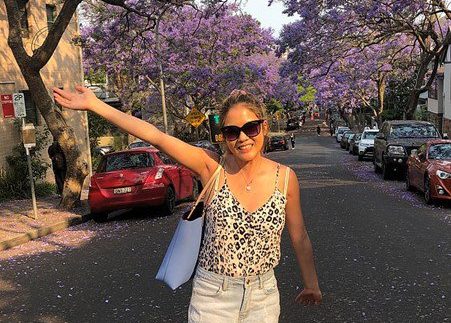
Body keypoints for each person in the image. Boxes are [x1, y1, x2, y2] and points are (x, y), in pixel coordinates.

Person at [53, 86, 322, 322]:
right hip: (214, 297)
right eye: (232, 131)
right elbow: (156, 137)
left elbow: (299, 236)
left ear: (263, 127)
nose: (242, 138)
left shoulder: (285, 179)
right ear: (223, 136)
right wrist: (94, 105)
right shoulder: (211, 167)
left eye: (250, 128)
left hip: (263, 297)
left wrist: (311, 284)